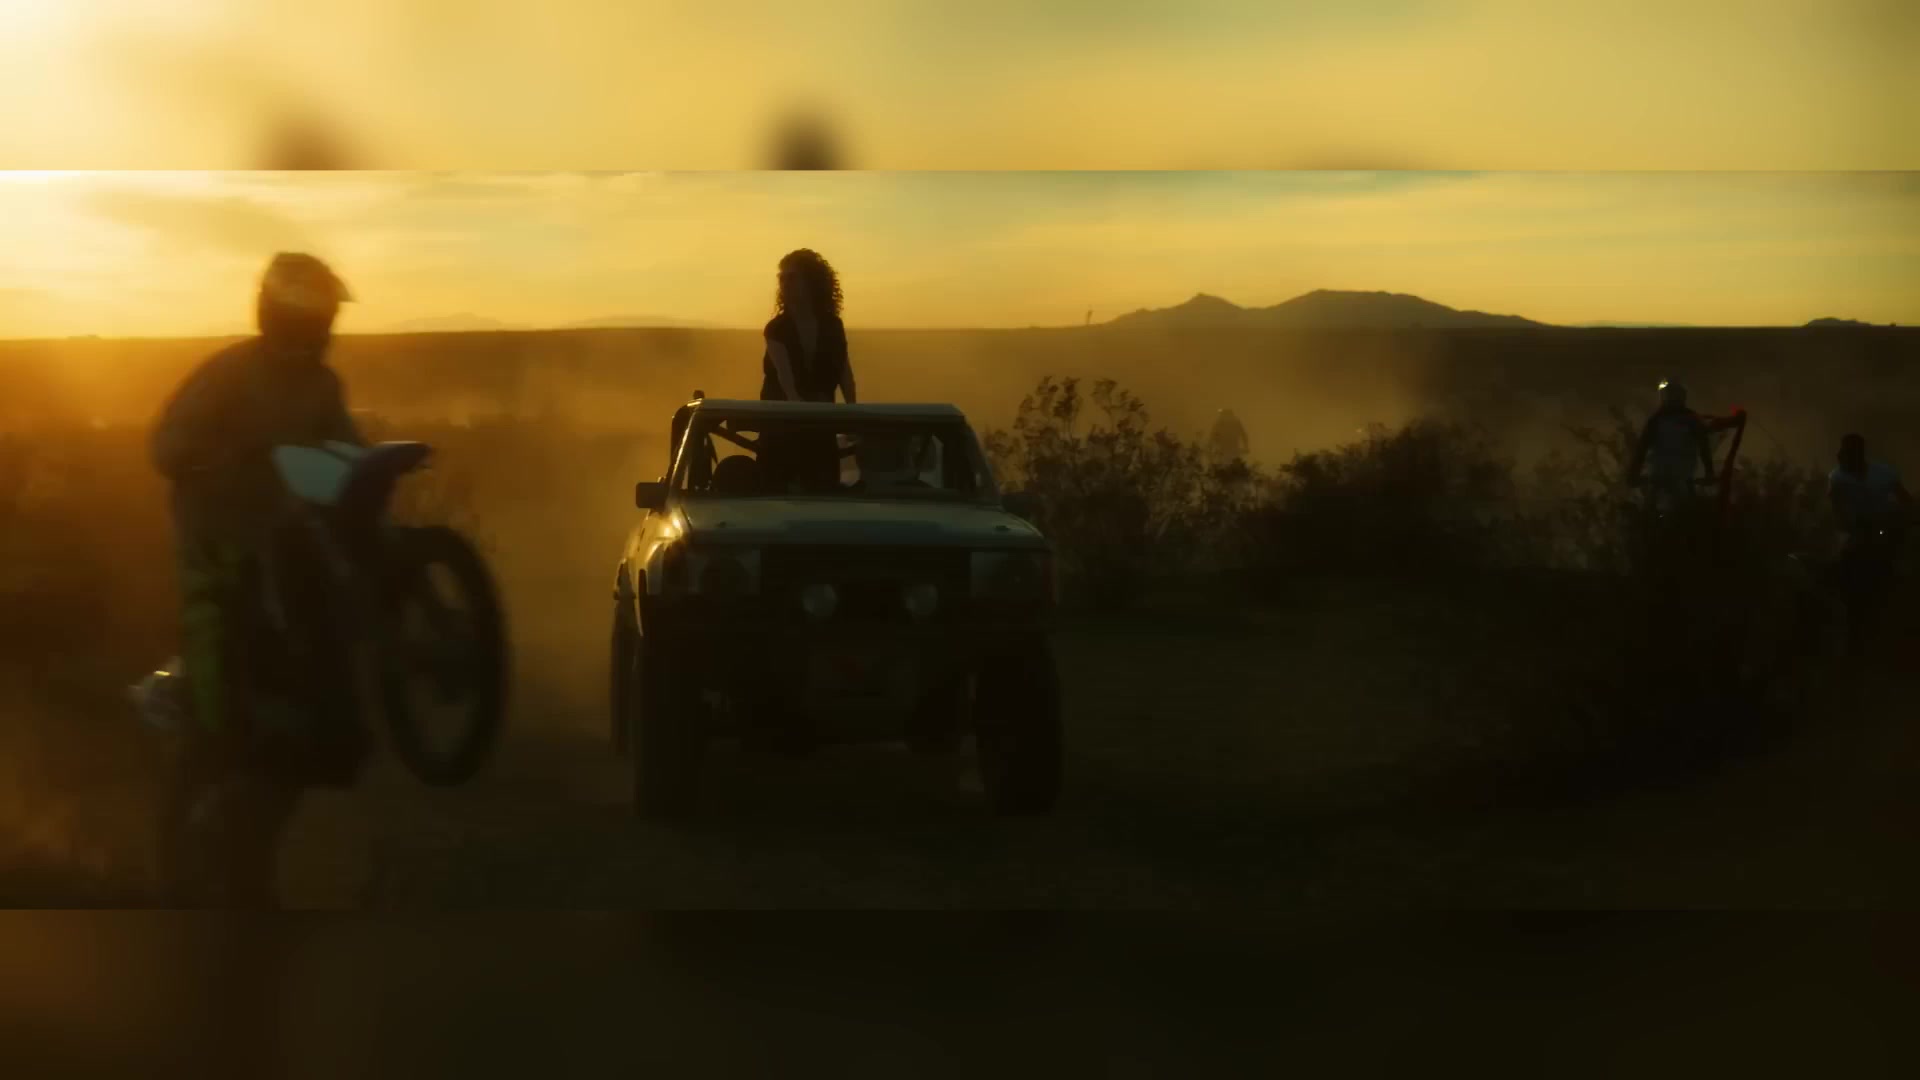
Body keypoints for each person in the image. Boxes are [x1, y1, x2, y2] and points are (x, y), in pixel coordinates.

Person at [149, 251, 365, 907]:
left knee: (328, 729)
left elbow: (346, 450)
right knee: (223, 708)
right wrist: (218, 457)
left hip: (289, 546)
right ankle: (181, 858)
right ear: (283, 315)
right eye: (315, 316)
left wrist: (367, 473)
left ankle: (250, 857)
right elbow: (165, 445)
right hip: (219, 549)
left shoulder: (322, 387)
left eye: (326, 316)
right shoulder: (230, 374)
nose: (323, 328)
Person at [760, 249, 854, 492]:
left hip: (821, 420)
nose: (785, 284)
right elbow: (785, 378)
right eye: (782, 278)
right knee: (777, 487)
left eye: (792, 277)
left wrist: (853, 412)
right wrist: (799, 410)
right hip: (781, 421)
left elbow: (844, 371)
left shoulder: (832, 325)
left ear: (811, 281)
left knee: (823, 487)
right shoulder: (777, 328)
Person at [1826, 433, 1912, 651]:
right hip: (1856, 534)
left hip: (1885, 531)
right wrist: (1848, 524)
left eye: (1846, 452)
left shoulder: (1884, 473)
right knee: (1846, 574)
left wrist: (1900, 517)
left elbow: (1905, 499)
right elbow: (1835, 509)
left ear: (1857, 454)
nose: (1840, 456)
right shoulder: (1837, 478)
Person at [1625, 379, 1721, 514]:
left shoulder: (1685, 420)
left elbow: (1704, 447)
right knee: (1653, 513)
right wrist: (1634, 473)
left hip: (1677, 477)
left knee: (1685, 512)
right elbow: (1642, 449)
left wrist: (1709, 472)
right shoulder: (1659, 420)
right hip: (1663, 478)